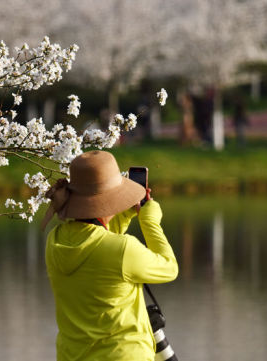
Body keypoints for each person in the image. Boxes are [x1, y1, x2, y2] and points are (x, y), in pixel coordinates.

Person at [42, 150, 178, 361]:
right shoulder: (123, 250)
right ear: (111, 198)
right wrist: (150, 223)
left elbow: (96, 243)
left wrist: (121, 216)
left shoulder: (55, 241)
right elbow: (169, 268)